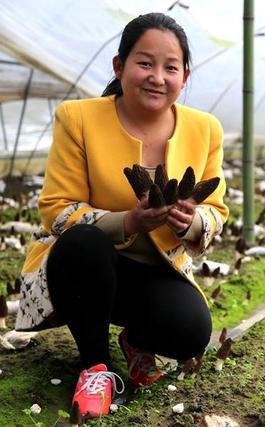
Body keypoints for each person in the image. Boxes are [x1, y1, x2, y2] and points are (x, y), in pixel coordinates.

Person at [14, 12, 228, 419]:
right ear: (120, 66)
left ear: (185, 76)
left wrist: (192, 221)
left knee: (192, 332)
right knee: (82, 241)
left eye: (170, 68)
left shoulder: (206, 129)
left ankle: (136, 342)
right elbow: (58, 210)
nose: (157, 77)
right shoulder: (78, 118)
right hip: (85, 266)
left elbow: (215, 210)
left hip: (155, 270)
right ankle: (95, 367)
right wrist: (130, 221)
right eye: (144, 63)